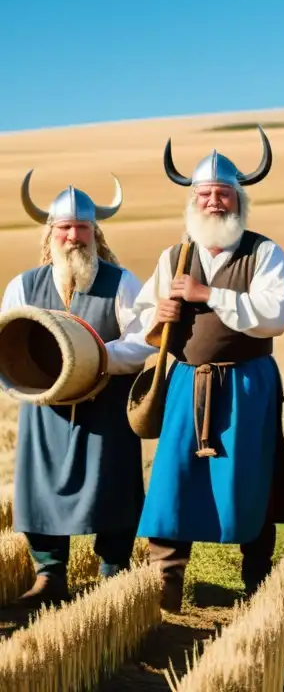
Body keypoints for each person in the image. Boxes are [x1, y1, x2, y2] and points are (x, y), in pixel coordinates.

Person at [131, 127, 284, 612]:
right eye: (204, 194)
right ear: (192, 201)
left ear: (238, 199)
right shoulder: (175, 256)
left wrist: (208, 296)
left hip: (249, 382)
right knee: (174, 476)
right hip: (186, 381)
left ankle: (256, 580)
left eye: (222, 193)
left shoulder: (265, 252)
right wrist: (158, 316)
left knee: (253, 477)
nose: (214, 202)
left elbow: (274, 314)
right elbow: (144, 313)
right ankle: (164, 582)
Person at [2, 172, 152, 608]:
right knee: (40, 488)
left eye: (81, 228)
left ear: (95, 231)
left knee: (114, 486)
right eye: (64, 228)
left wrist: (95, 357)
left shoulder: (121, 282)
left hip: (105, 406)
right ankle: (49, 575)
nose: (73, 236)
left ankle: (113, 572)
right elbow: (6, 343)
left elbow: (143, 341)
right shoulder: (23, 286)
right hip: (44, 407)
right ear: (50, 234)